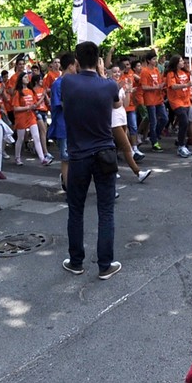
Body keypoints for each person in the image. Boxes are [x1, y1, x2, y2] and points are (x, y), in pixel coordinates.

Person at [60, 41, 122, 280]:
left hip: (78, 155)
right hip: (105, 153)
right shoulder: (109, 85)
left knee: (76, 210)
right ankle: (105, 265)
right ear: (98, 61)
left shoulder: (67, 82)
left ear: (76, 61)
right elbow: (118, 104)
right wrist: (102, 74)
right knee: (106, 210)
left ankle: (76, 262)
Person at [108, 65, 151, 183]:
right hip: (114, 120)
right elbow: (115, 104)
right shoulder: (110, 86)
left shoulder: (120, 86)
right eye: (114, 72)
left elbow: (125, 104)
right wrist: (119, 89)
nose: (117, 74)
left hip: (122, 118)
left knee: (117, 147)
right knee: (127, 146)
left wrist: (127, 90)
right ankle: (138, 172)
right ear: (109, 74)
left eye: (118, 71)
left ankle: (111, 170)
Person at [48, 52, 77, 192]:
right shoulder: (58, 84)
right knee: (66, 158)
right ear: (70, 66)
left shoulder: (74, 82)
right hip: (63, 126)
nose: (77, 68)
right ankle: (68, 187)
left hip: (74, 125)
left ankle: (69, 181)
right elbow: (61, 105)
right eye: (75, 65)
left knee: (74, 157)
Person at [12, 71, 52, 166]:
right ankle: (17, 157)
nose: (27, 79)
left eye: (27, 77)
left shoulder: (30, 91)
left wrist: (38, 102)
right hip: (21, 118)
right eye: (25, 77)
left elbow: (35, 104)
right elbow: (15, 108)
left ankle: (42, 159)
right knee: (20, 138)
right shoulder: (17, 92)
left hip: (31, 116)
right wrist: (28, 107)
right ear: (21, 79)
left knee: (36, 137)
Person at [165, 54, 192, 158]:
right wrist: (186, 85)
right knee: (184, 121)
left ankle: (182, 143)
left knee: (185, 123)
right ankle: (181, 146)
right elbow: (173, 86)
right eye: (181, 61)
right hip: (176, 101)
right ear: (176, 63)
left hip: (186, 101)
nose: (183, 63)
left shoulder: (184, 72)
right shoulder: (171, 74)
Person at [140, 51, 168, 152]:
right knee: (153, 121)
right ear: (148, 60)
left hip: (159, 99)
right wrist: (156, 87)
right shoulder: (144, 71)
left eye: (156, 59)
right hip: (150, 100)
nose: (155, 61)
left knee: (164, 118)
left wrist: (163, 85)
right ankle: (154, 142)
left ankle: (154, 135)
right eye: (153, 59)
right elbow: (144, 86)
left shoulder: (156, 70)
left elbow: (159, 82)